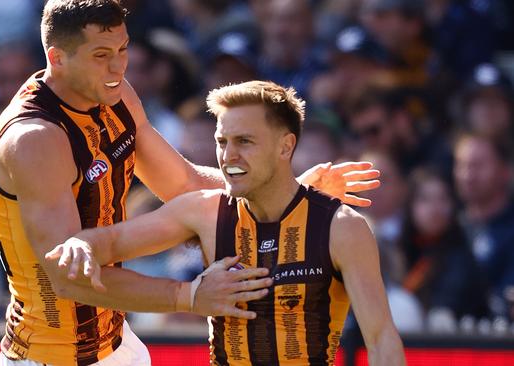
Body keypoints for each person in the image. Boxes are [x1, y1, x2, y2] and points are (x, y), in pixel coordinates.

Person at [0, 1, 381, 365]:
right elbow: (66, 278)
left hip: (116, 341)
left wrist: (288, 193)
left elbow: (184, 183)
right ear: (57, 59)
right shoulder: (34, 139)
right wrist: (189, 296)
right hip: (48, 355)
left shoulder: (113, 93)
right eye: (101, 56)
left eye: (123, 50)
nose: (118, 69)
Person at [47, 80, 404, 365]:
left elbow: (381, 338)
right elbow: (106, 244)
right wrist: (82, 244)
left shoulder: (341, 226)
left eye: (244, 142)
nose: (228, 156)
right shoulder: (205, 211)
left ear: (285, 146)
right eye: (222, 141)